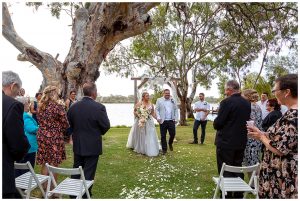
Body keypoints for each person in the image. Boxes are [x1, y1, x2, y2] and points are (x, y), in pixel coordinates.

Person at [247, 74, 298, 199]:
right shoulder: (289, 112)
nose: (274, 93)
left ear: (287, 92)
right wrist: (260, 133)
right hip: (277, 173)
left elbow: (280, 149)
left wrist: (261, 137)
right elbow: (280, 137)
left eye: (275, 90)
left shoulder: (294, 116)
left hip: (284, 175)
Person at [67, 82, 110, 198]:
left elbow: (68, 125)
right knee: (89, 172)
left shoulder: (73, 106)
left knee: (76, 170)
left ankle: (73, 195)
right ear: (94, 93)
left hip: (78, 144)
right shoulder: (99, 107)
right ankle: (85, 195)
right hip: (92, 145)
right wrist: (96, 133)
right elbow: (106, 125)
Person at [213, 80, 251, 198]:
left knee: (225, 169)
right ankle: (238, 194)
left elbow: (218, 123)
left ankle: (227, 194)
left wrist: (216, 121)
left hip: (226, 142)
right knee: (237, 167)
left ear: (229, 90)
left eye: (225, 90)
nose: (225, 92)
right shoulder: (246, 103)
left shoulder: (226, 102)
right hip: (240, 141)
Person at [2, 71, 30, 198]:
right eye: (18, 91)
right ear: (13, 86)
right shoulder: (11, 105)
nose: (17, 95)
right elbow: (18, 143)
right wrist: (19, 154)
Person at [36, 86, 69, 193]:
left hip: (42, 135)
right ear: (53, 94)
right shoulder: (57, 107)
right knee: (54, 163)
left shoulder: (40, 106)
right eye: (57, 93)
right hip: (54, 137)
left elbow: (39, 121)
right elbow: (65, 124)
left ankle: (44, 189)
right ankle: (53, 190)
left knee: (45, 163)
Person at [127, 91, 160, 156]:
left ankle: (150, 147)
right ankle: (141, 147)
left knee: (150, 133)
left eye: (148, 95)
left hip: (149, 121)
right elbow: (134, 112)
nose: (148, 97)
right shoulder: (139, 103)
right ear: (143, 97)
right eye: (147, 96)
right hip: (140, 121)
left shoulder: (151, 104)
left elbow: (152, 113)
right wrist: (140, 116)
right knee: (141, 134)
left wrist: (157, 119)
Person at [15, 96, 39, 177]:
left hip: (21, 144)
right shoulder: (25, 115)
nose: (29, 105)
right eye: (28, 103)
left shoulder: (18, 113)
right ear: (24, 104)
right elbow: (31, 129)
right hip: (29, 145)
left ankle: (18, 184)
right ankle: (23, 186)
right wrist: (41, 127)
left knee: (19, 166)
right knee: (27, 167)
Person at [241, 89, 262, 168]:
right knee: (253, 161)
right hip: (256, 137)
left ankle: (254, 180)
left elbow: (250, 123)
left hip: (251, 138)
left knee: (251, 164)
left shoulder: (250, 107)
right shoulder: (257, 106)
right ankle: (254, 179)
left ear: (247, 96)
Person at [155, 89, 179, 155]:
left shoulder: (173, 100)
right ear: (163, 93)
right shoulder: (159, 100)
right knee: (163, 136)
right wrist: (158, 117)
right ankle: (164, 149)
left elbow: (176, 109)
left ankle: (170, 143)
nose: (167, 95)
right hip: (163, 121)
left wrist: (176, 118)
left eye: (168, 93)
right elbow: (156, 110)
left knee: (173, 134)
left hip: (171, 120)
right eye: (166, 93)